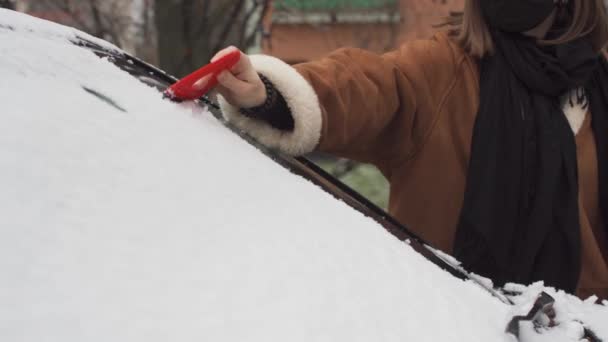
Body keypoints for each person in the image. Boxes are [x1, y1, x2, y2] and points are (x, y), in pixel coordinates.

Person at [197, 0, 608, 300]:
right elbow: (365, 85)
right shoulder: (442, 70)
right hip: (457, 322)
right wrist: (267, 92)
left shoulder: (598, 84)